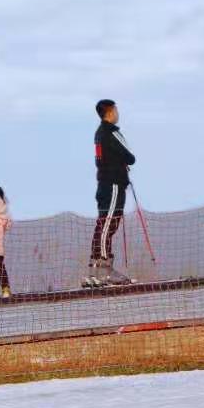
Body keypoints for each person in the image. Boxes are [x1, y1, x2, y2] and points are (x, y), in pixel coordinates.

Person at [90, 99, 136, 283]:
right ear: (109, 112)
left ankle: (95, 270)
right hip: (113, 185)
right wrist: (123, 162)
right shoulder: (111, 132)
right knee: (108, 224)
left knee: (104, 224)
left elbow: (102, 159)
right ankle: (104, 271)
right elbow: (130, 156)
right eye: (115, 109)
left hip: (105, 183)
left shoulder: (98, 135)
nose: (117, 113)